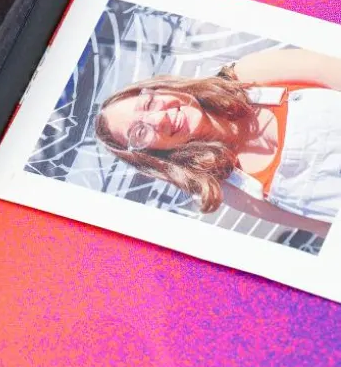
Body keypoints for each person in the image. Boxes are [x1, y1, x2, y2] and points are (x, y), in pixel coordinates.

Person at [94, 48, 341, 238]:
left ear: (160, 88)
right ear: (150, 153)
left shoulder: (245, 75)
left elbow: (330, 69)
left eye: (148, 104)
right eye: (140, 132)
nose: (159, 119)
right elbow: (322, 227)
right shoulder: (232, 187)